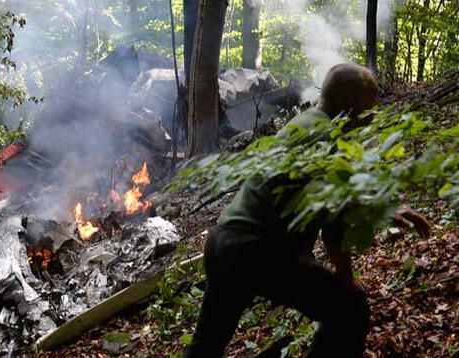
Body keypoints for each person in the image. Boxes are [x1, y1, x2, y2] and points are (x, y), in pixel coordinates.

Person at [182, 64, 430, 358]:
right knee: (349, 310)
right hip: (257, 250)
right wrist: (346, 278)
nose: (377, 105)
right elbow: (334, 219)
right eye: (372, 98)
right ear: (352, 102)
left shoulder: (306, 123)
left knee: (206, 345)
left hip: (223, 243)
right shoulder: (327, 136)